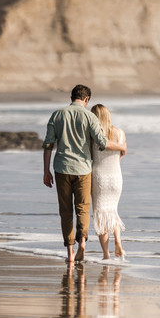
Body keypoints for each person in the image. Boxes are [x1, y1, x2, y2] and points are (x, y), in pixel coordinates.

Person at [43, 85, 126, 263]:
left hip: (61, 168)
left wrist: (46, 171)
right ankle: (82, 242)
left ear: (71, 97)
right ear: (86, 99)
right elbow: (102, 142)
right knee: (82, 208)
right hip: (83, 170)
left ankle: (70, 253)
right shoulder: (89, 116)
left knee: (66, 211)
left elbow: (48, 144)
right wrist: (121, 147)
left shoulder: (57, 115)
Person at [89, 104, 127, 261]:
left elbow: (90, 156)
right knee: (112, 211)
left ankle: (106, 255)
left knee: (101, 215)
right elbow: (121, 155)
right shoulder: (120, 133)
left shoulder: (92, 136)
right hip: (116, 177)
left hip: (100, 177)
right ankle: (118, 241)